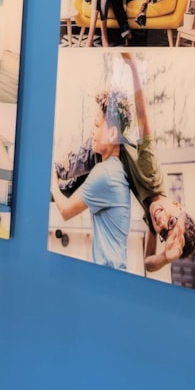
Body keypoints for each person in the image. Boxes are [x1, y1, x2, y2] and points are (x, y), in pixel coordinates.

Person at [118, 52, 195, 272]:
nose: (161, 223)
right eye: (171, 222)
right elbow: (142, 117)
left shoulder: (154, 214)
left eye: (163, 233)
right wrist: (133, 67)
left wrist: (164, 257)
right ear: (177, 205)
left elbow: (148, 264)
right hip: (109, 137)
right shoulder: (151, 174)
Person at [50, 87, 133, 270]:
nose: (92, 132)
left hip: (108, 275)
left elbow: (65, 211)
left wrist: (52, 180)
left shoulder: (105, 174)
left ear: (112, 134)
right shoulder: (115, 170)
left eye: (96, 125)